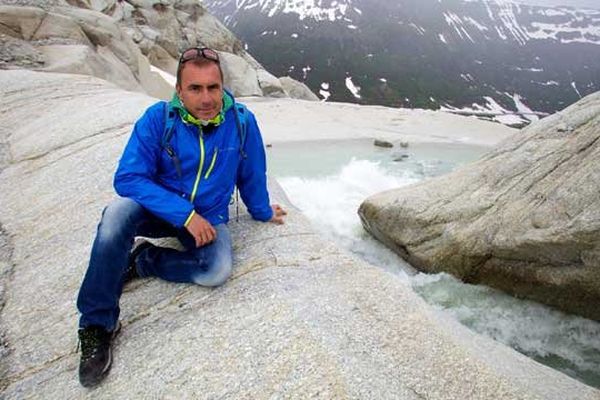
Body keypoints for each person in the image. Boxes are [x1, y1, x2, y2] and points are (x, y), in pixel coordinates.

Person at [76, 47, 286, 387]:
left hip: (208, 215)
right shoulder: (158, 119)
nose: (206, 98)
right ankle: (97, 324)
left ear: (222, 86)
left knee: (215, 270)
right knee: (116, 214)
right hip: (158, 210)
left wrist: (262, 211)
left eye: (213, 88)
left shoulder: (241, 122)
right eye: (195, 88)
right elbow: (127, 178)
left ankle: (145, 260)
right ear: (179, 90)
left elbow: (251, 172)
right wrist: (184, 215)